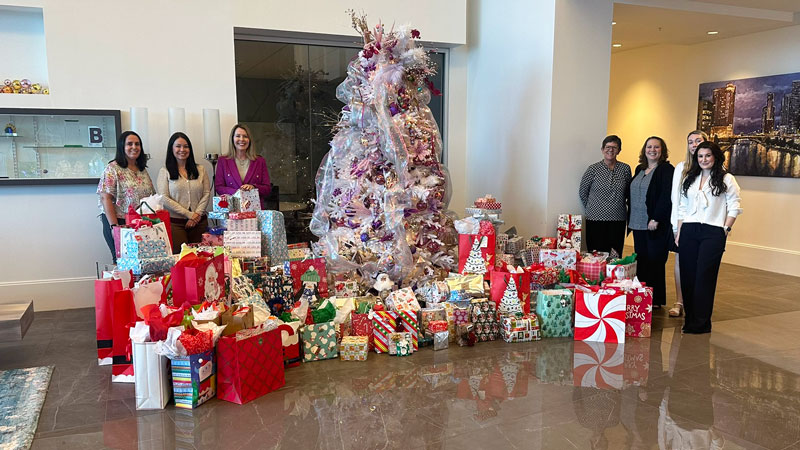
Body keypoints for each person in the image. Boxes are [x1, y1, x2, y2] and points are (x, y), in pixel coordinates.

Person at [676, 141, 741, 334]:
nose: (704, 160)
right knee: (687, 275)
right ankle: (690, 320)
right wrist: (679, 231)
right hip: (688, 229)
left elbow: (735, 206)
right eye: (700, 156)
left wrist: (725, 229)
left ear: (715, 157)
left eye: (708, 156)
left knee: (704, 276)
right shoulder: (690, 178)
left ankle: (702, 323)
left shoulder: (727, 179)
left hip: (713, 232)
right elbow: (682, 207)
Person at [627, 136, 674, 309]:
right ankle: (643, 295)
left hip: (654, 224)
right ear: (644, 149)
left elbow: (666, 196)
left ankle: (656, 299)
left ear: (662, 150)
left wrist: (656, 218)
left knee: (655, 260)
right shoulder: (640, 168)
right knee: (642, 260)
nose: (652, 150)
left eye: (656, 147)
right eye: (649, 147)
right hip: (637, 222)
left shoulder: (666, 169)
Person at [97, 131, 155, 263]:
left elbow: (151, 196)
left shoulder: (142, 170)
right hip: (119, 222)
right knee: (123, 263)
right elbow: (105, 198)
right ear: (122, 147)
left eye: (137, 144)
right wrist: (114, 227)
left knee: (141, 263)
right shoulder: (112, 168)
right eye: (129, 144)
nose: (134, 147)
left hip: (139, 223)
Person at [668, 130, 708, 317]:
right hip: (684, 224)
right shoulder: (681, 168)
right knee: (681, 263)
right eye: (690, 142)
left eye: (698, 141)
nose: (694, 145)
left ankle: (697, 303)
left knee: (702, 266)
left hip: (707, 226)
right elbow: (676, 199)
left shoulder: (715, 170)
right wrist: (677, 227)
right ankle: (679, 301)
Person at [157, 132, 211, 254]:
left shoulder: (200, 169)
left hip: (200, 223)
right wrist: (188, 214)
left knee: (202, 259)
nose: (182, 149)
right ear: (171, 148)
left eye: (186, 146)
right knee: (181, 259)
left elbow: (206, 193)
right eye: (178, 146)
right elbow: (164, 197)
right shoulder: (164, 171)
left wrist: (196, 215)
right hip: (176, 224)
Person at [579, 135, 632, 256]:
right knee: (595, 254)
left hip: (618, 219)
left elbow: (629, 192)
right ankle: (596, 276)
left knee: (615, 254)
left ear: (619, 150)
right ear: (602, 149)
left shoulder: (625, 169)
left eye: (614, 147)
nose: (611, 150)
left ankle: (612, 275)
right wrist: (594, 207)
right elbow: (583, 192)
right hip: (595, 219)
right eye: (608, 147)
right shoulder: (593, 169)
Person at [215, 123, 271, 209]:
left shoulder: (260, 161)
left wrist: (254, 187)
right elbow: (219, 187)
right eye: (238, 136)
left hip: (254, 212)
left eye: (245, 136)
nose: (242, 139)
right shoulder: (223, 160)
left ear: (249, 140)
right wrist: (238, 192)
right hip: (232, 211)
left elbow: (267, 189)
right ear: (232, 139)